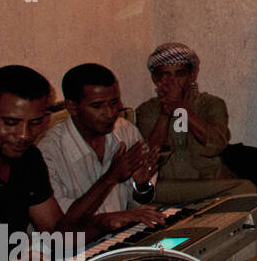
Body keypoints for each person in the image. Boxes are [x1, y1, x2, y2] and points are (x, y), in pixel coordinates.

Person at [0, 66, 83, 261]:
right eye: (10, 123)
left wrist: (105, 222)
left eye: (36, 123)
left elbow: (57, 233)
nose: (24, 135)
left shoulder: (28, 159)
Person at [38, 64, 166, 235]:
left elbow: (138, 203)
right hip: (71, 250)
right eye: (97, 106)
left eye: (114, 103)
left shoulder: (125, 131)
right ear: (72, 107)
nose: (110, 113)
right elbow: (63, 228)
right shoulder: (48, 153)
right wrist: (111, 177)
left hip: (117, 238)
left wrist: (141, 185)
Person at [133, 43, 254, 203]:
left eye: (180, 74)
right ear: (155, 79)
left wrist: (182, 109)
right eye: (166, 75)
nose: (173, 82)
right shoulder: (146, 110)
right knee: (140, 195)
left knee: (246, 189)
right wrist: (165, 113)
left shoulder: (211, 104)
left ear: (192, 75)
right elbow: (151, 155)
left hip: (207, 183)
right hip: (168, 187)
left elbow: (216, 144)